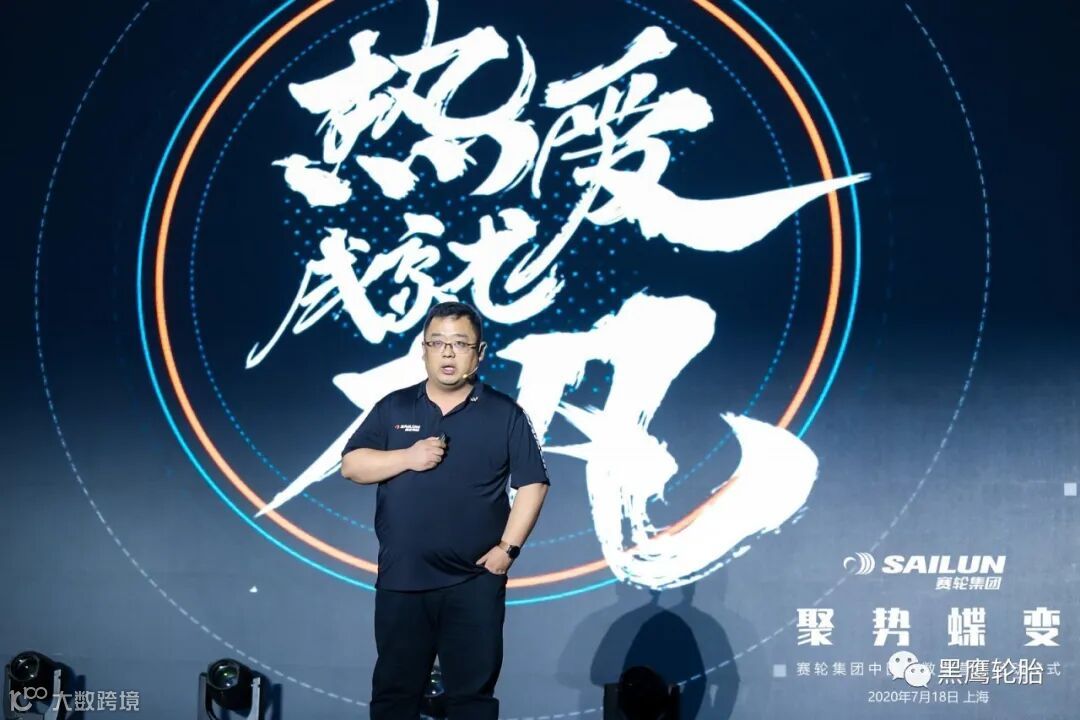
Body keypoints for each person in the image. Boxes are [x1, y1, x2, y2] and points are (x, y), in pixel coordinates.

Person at [341, 301, 550, 719]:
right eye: (437, 342)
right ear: (424, 350)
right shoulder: (395, 407)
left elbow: (533, 483)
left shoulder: (505, 413)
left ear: (480, 353)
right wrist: (408, 457)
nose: (448, 352)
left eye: (460, 343)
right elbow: (352, 465)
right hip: (403, 577)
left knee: (472, 699)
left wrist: (507, 551)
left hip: (473, 581)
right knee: (394, 696)